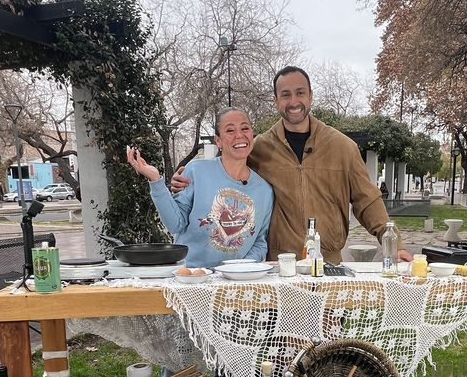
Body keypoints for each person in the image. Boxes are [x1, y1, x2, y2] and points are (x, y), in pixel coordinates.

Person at [174, 66, 411, 264]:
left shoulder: (343, 148)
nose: (294, 101)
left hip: (328, 263)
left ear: (310, 96)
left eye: (300, 93)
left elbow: (367, 200)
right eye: (285, 95)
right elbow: (223, 175)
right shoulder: (259, 149)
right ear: (276, 101)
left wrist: (394, 244)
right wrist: (186, 182)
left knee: (329, 312)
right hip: (278, 265)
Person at [127, 107, 273, 268]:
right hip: (192, 275)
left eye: (245, 128)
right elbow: (175, 224)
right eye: (230, 130)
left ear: (252, 134)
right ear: (218, 141)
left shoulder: (264, 190)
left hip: (236, 278)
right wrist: (156, 181)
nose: (239, 135)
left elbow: (259, 242)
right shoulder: (196, 170)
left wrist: (241, 268)